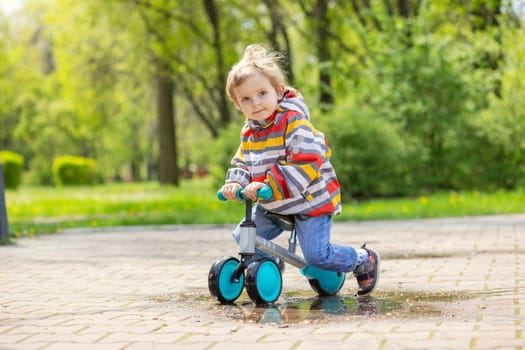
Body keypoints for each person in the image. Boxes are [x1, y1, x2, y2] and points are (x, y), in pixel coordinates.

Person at [219, 44, 379, 296]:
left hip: (309, 201)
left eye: (262, 93)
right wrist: (235, 183)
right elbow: (243, 161)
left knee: (317, 256)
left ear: (278, 91)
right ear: (237, 104)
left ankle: (361, 258)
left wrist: (269, 185)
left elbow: (306, 161)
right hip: (275, 203)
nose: (256, 103)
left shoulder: (294, 122)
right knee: (244, 236)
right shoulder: (249, 131)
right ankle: (267, 265)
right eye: (246, 99)